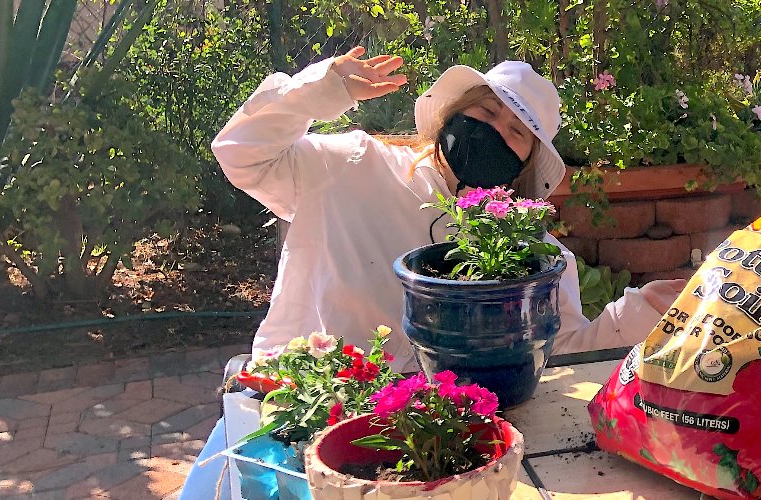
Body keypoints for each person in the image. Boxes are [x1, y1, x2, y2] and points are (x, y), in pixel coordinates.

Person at [180, 48, 679, 499]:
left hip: (432, 449)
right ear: (450, 115)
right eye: (486, 113)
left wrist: (645, 311)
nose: (495, 134)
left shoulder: (531, 253)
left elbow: (555, 351)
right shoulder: (354, 165)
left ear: (526, 161)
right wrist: (325, 87)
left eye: (515, 133)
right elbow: (242, 154)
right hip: (300, 417)